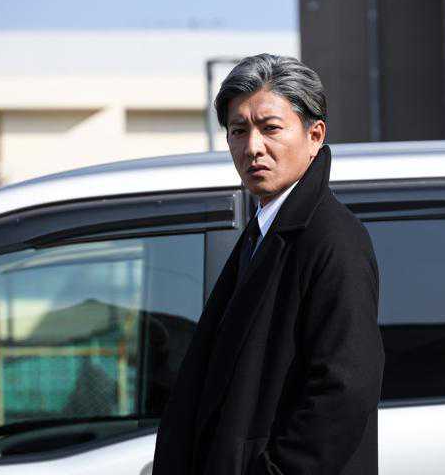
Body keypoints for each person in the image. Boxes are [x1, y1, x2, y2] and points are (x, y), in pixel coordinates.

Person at [152, 53, 385, 475]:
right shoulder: (263, 230)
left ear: (315, 135)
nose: (253, 147)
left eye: (270, 128)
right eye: (238, 131)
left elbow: (343, 389)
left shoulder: (333, 239)